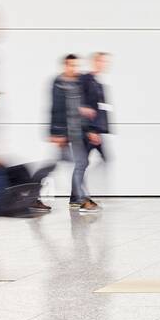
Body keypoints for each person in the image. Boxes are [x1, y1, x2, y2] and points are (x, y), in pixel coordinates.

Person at [49, 54, 103, 214]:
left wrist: (91, 129)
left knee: (80, 163)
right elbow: (55, 109)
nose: (74, 69)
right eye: (71, 65)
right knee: (68, 164)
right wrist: (55, 132)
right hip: (64, 132)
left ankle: (76, 198)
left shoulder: (81, 81)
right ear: (65, 66)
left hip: (79, 131)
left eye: (76, 66)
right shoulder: (58, 83)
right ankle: (80, 199)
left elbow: (88, 102)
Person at [79, 51, 112, 206]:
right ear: (94, 62)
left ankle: (82, 194)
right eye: (101, 61)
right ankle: (82, 196)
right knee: (82, 164)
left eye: (106, 62)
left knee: (102, 160)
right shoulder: (87, 80)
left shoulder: (98, 83)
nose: (104, 64)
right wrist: (91, 130)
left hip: (97, 131)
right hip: (89, 131)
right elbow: (83, 106)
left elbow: (102, 109)